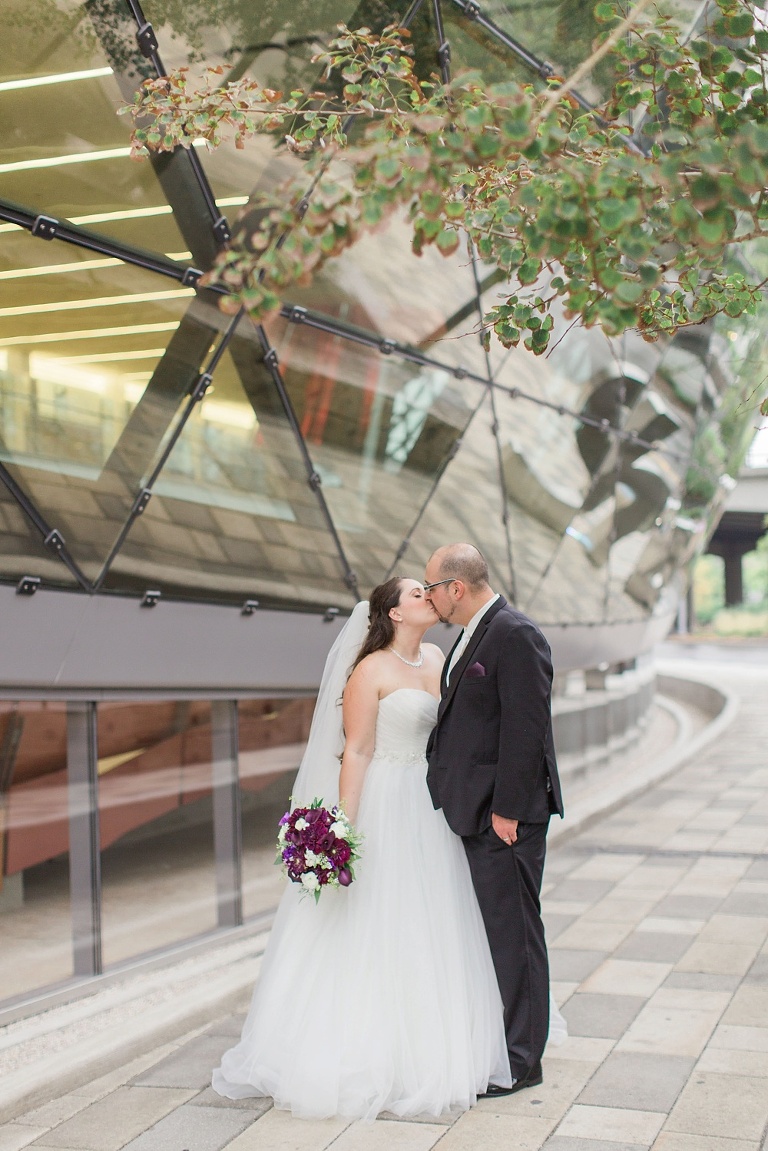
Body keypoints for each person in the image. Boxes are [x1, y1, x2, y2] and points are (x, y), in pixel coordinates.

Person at [212, 577, 513, 1121]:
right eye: (418, 594)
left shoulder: (439, 657)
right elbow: (356, 750)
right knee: (380, 919)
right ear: (394, 613)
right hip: (387, 802)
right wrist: (342, 830)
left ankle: (436, 1044)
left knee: (435, 920)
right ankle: (366, 1052)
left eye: (429, 591)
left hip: (434, 801)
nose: (429, 597)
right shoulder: (368, 671)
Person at [424, 543, 564, 1097]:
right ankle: (506, 1045)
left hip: (503, 816)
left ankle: (523, 1061)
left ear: (456, 587)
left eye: (433, 588)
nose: (431, 599)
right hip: (475, 809)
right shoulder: (471, 634)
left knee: (516, 937)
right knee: (498, 935)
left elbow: (527, 730)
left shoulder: (516, 633)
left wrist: (506, 808)